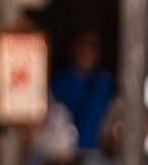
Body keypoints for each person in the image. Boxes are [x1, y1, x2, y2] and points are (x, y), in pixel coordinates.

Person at [49, 30, 115, 158]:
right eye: (82, 45)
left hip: (98, 158)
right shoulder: (59, 83)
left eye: (92, 45)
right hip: (63, 158)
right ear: (74, 48)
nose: (86, 50)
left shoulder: (106, 84)